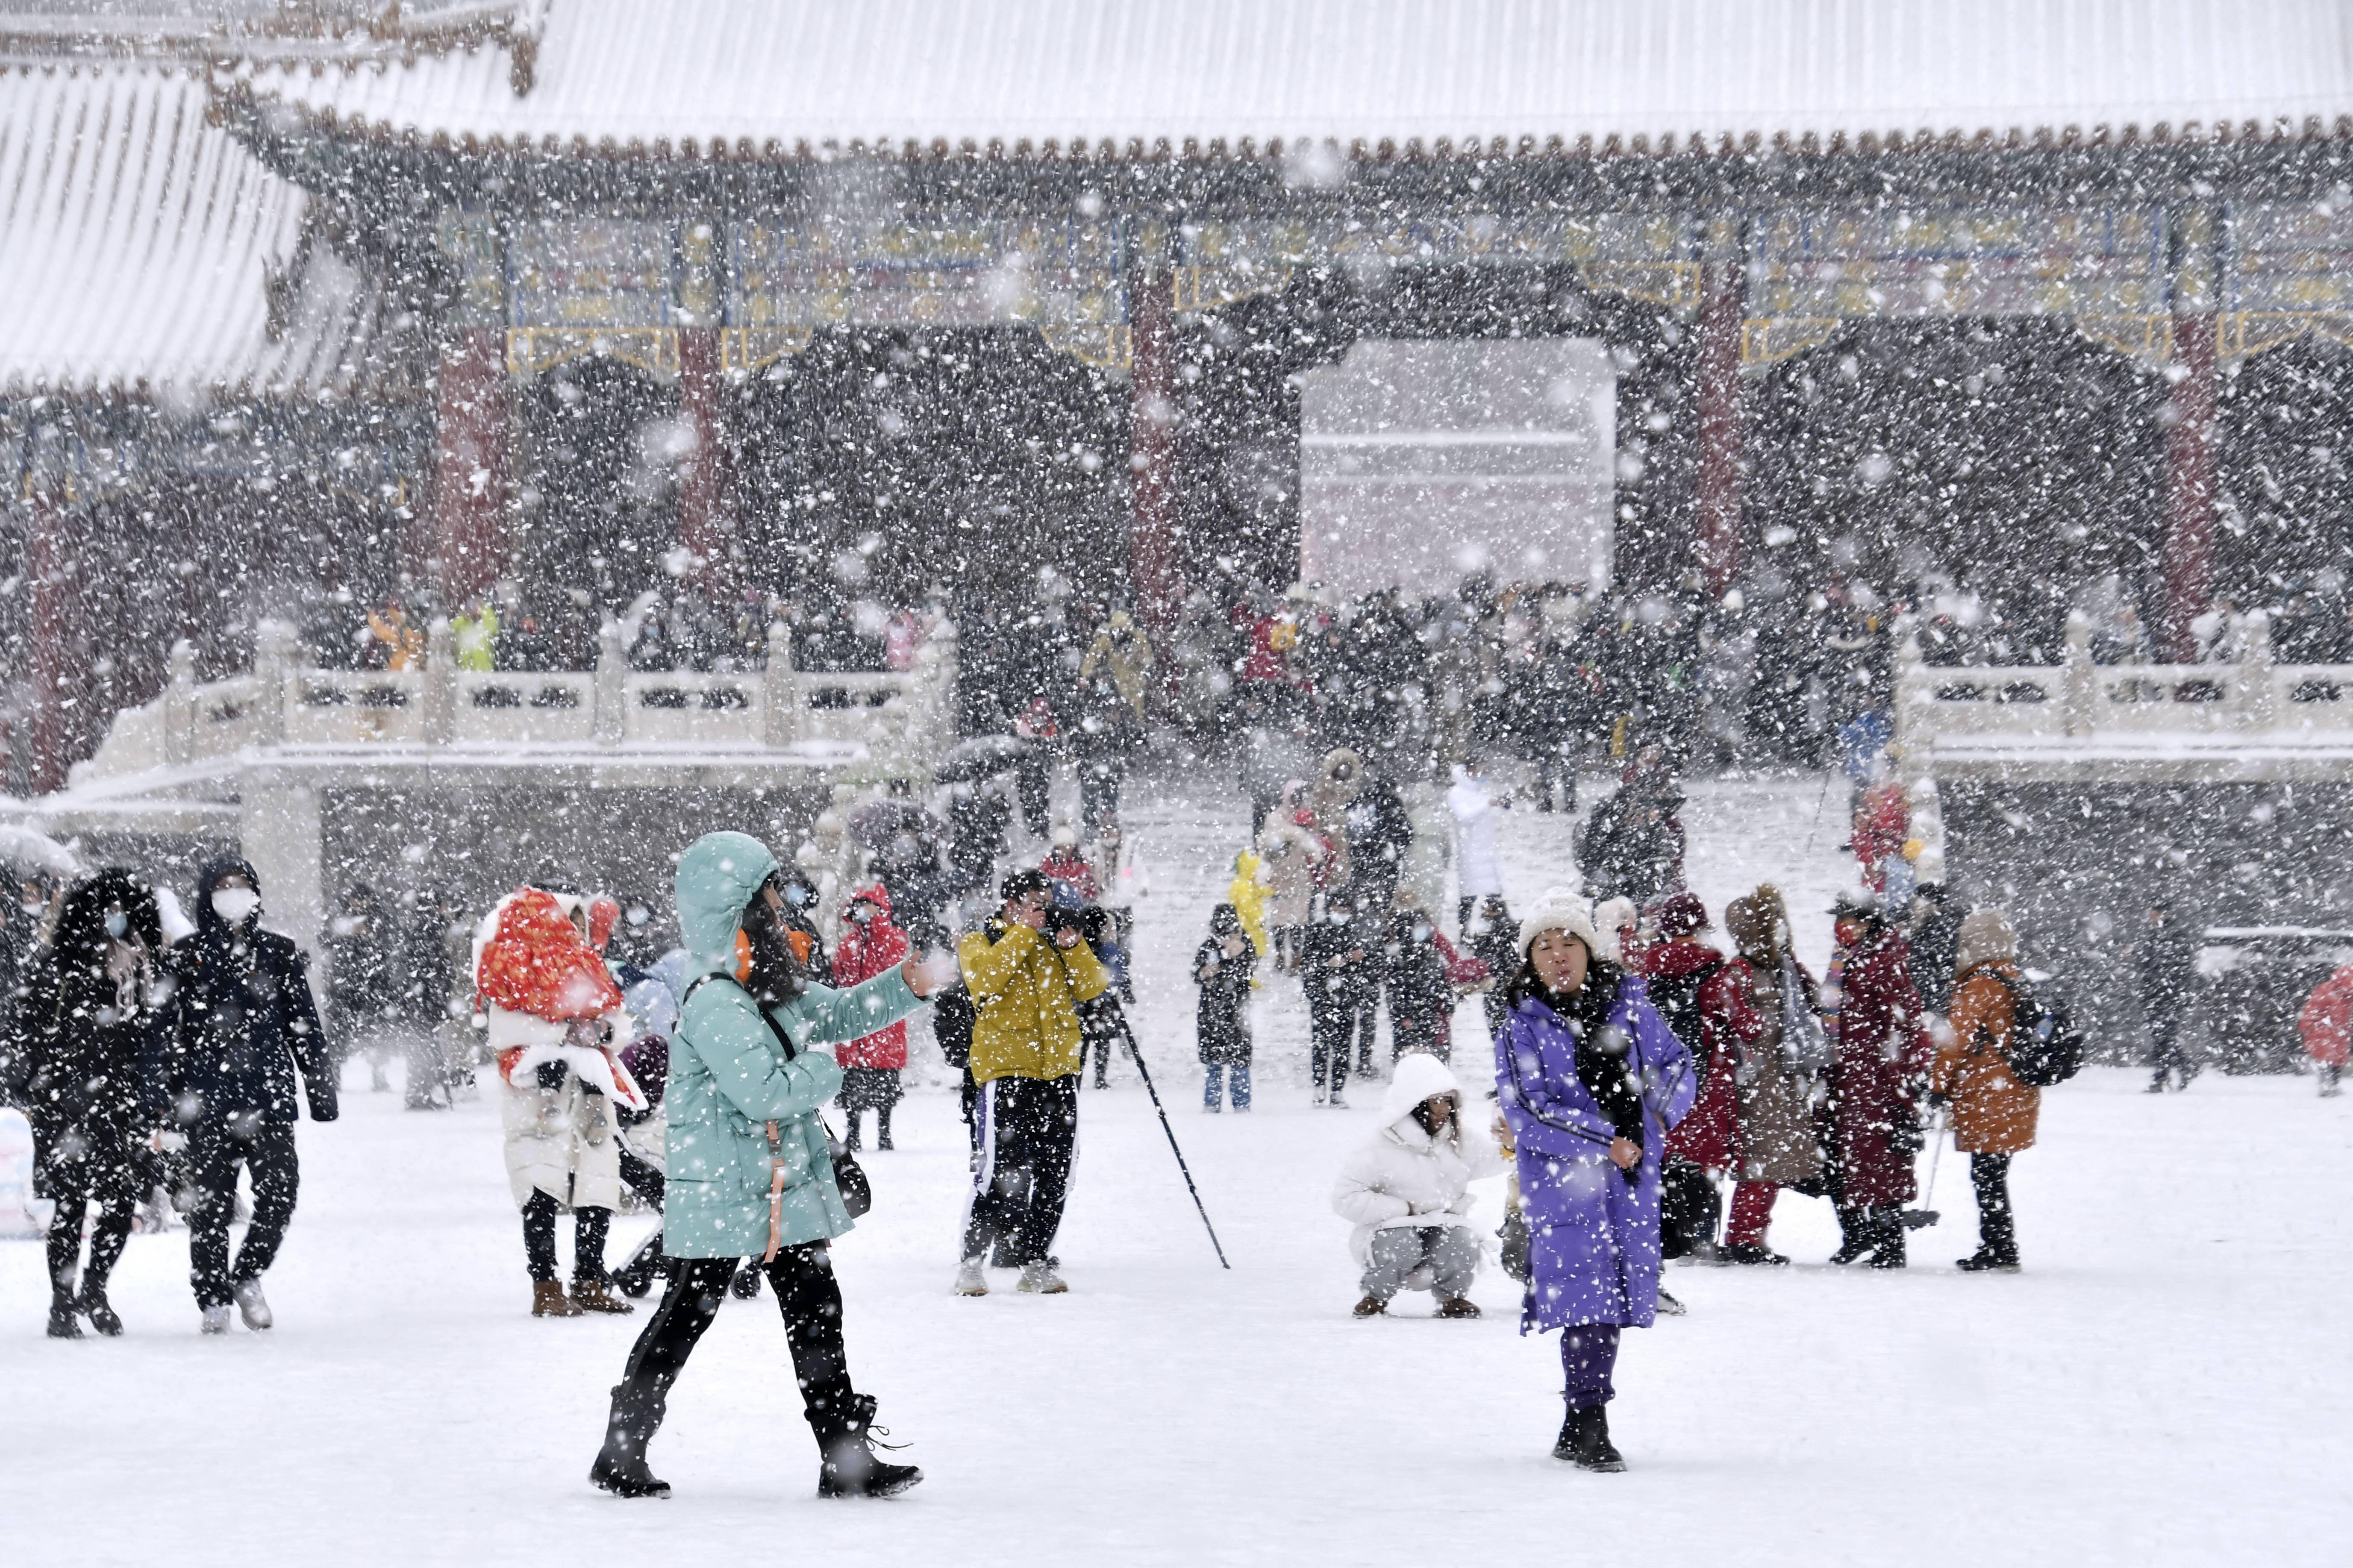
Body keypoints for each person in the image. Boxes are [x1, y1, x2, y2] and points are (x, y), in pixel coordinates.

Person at [589, 831, 941, 1500]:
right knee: (684, 1316)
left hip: (776, 1188)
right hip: (725, 1190)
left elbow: (837, 1012)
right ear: (739, 909)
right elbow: (767, 1093)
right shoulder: (718, 998)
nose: (784, 910)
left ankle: (846, 1456)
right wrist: (824, 1067)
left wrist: (908, 983)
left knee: (816, 1312)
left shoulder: (766, 984)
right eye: (772, 898)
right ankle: (622, 1446)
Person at [1493, 890, 1694, 1471]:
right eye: (1544, 945)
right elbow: (1527, 1111)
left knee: (1611, 1301)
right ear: (1529, 959)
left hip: (1629, 1181)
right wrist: (1601, 1138)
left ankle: (1575, 1419)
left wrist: (1656, 1111)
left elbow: (1677, 1063)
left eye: (1569, 942)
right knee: (1587, 1300)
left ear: (1588, 947)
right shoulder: (1520, 1027)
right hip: (1563, 1184)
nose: (1558, 955)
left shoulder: (1630, 1007)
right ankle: (1589, 1420)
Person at [165, 858, 338, 1333]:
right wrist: (164, 1093)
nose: (232, 894)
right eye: (222, 887)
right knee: (210, 1207)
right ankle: (213, 1299)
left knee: (280, 1194)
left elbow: (304, 1028)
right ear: (206, 896)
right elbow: (164, 1032)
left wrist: (321, 1091)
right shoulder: (186, 956)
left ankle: (246, 1275)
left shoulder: (279, 953)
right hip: (207, 1099)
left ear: (256, 894)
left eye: (241, 886)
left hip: (267, 1097)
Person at [5, 871, 169, 1338]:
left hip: (122, 1105)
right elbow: (27, 1032)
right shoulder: (59, 966)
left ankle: (94, 1289)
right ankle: (62, 1302)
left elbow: (152, 1038)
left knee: (120, 1206)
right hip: (68, 1105)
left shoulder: (142, 968)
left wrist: (152, 1094)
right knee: (71, 1206)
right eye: (107, 909)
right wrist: (36, 1088)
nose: (115, 918)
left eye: (123, 909)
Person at [476, 887, 647, 1318]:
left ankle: (590, 1279)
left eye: (578, 921)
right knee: (540, 1186)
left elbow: (617, 1021)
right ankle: (546, 1285)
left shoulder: (588, 966)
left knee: (598, 1184)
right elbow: (503, 1030)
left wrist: (601, 1035)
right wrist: (564, 1034)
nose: (574, 930)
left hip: (588, 1092)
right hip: (535, 1095)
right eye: (567, 920)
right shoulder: (511, 969)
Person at [954, 867, 1110, 1296]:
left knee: (1057, 1171)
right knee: (998, 1173)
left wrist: (1073, 946)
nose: (1045, 913)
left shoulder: (1054, 948)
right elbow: (984, 980)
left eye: (1046, 904)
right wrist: (1023, 932)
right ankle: (971, 1262)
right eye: (1036, 904)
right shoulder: (981, 941)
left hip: (1058, 1072)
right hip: (1006, 1072)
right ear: (1011, 905)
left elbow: (1093, 986)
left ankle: (1036, 1260)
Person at [1698, 887, 1828, 1266]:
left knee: (1771, 1162)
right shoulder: (1740, 974)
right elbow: (1739, 1022)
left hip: (1777, 1080)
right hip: (1758, 1083)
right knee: (1762, 1162)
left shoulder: (1780, 969)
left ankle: (1750, 1234)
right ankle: (1745, 1237)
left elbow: (1817, 1000)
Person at [1332, 1052, 1505, 1318]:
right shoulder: (1377, 1145)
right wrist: (1404, 1209)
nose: (1444, 1110)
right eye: (1436, 1101)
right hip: (1386, 1230)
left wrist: (1512, 1146)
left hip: (1442, 1223)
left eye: (1448, 1101)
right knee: (1402, 1242)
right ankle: (1375, 1297)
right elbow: (1345, 1199)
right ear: (1413, 1104)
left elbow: (1492, 1160)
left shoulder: (1458, 1138)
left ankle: (1453, 1299)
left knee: (1461, 1240)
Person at [1824, 891, 1930, 1268]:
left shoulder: (1881, 963)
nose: (1842, 927)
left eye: (1850, 920)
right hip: (1853, 1076)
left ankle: (1890, 1246)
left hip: (1877, 1079)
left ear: (1869, 924)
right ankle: (1870, 1238)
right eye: (1840, 920)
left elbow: (1906, 1023)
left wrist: (1902, 1074)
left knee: (1882, 1162)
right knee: (1861, 1161)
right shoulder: (1848, 960)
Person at [1934, 909, 2039, 1271]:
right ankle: (1998, 1245)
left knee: (1987, 1175)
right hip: (2014, 1091)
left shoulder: (1980, 983)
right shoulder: (2013, 977)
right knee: (1993, 1173)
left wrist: (1937, 1085)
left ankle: (2001, 1249)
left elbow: (1954, 1041)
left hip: (1987, 1093)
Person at [1633, 893, 1729, 1263]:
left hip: (1658, 1081)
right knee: (1703, 1159)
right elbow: (1725, 1025)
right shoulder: (1716, 972)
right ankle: (1702, 1239)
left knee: (1663, 1154)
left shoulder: (1648, 974)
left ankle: (1666, 1235)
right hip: (1704, 1079)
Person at [830, 885, 911, 1152]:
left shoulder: (893, 937)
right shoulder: (849, 944)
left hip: (884, 1024)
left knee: (885, 1085)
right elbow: (839, 973)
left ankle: (884, 1134)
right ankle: (853, 1133)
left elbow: (893, 959)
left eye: (870, 905)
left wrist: (877, 925)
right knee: (853, 1084)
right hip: (855, 1024)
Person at [1300, 888, 1374, 1107]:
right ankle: (1319, 1086)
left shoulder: (1355, 933)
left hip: (1347, 997)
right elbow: (1308, 964)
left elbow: (1368, 966)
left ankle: (1338, 1091)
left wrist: (1359, 961)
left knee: (1343, 1045)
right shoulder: (1317, 932)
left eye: (1345, 910)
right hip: (1323, 996)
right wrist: (1326, 966)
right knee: (1321, 1044)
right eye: (1336, 910)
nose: (1340, 914)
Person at [1194, 903, 1256, 1112]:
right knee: (1214, 1060)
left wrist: (1231, 957)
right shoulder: (1208, 946)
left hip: (1238, 1009)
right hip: (1213, 1010)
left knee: (1240, 1060)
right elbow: (1197, 972)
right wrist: (1206, 972)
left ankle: (1241, 1103)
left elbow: (1247, 972)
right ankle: (1212, 1102)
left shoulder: (1245, 945)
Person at [2138, 900, 2200, 1092]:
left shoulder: (2175, 935)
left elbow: (2173, 965)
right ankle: (2184, 1067)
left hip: (2169, 995)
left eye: (2155, 913)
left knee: (2163, 1036)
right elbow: (2150, 964)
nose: (2152, 917)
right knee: (2163, 1037)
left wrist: (2148, 961)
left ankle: (2162, 1077)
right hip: (2158, 995)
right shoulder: (2156, 935)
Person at [1447, 761, 1506, 937]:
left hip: (1486, 851)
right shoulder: (1456, 793)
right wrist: (1488, 805)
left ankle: (1496, 932)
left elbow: (1491, 816)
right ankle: (1465, 934)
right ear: (1470, 771)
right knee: (1469, 897)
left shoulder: (1480, 793)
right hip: (1470, 853)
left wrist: (1501, 805)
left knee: (1494, 895)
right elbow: (1465, 817)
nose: (1483, 775)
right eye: (1481, 771)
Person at [2297, 959, 2353, 1097]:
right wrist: (2309, 1026)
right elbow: (2313, 1009)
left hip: (2338, 1031)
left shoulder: (2346, 995)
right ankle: (2326, 1086)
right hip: (2322, 1030)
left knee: (2339, 1059)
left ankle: (2332, 1085)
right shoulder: (2328, 990)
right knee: (2327, 1058)